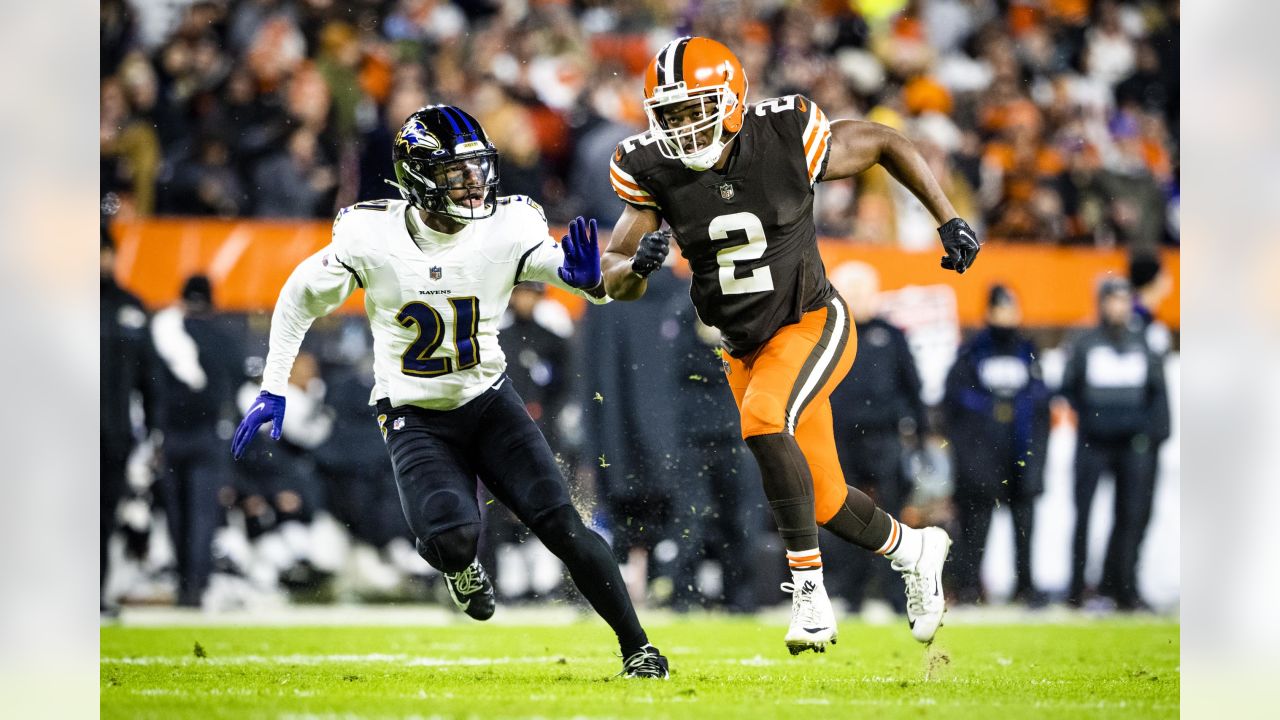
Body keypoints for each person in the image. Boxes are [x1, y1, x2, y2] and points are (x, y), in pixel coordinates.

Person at [230, 105, 669, 678]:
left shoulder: (506, 226)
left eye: (478, 168)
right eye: (455, 172)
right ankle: (461, 570)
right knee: (453, 538)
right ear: (417, 178)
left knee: (563, 526)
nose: (474, 183)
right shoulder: (372, 235)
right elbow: (298, 296)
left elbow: (577, 278)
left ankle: (639, 647)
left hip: (488, 400)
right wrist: (274, 385)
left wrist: (606, 277)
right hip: (414, 414)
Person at [601, 36, 982, 653]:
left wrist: (948, 217)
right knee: (825, 498)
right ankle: (915, 549)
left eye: (694, 107)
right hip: (742, 346)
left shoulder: (784, 134)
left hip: (810, 319)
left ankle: (809, 595)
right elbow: (615, 276)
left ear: (729, 101)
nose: (681, 125)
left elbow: (886, 141)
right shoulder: (652, 168)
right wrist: (636, 268)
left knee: (761, 418)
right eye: (668, 113)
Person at [1061, 277, 1169, 610]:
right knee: (1083, 516)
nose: (1117, 307)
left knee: (1131, 516)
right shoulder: (1085, 342)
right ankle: (1077, 590)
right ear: (1102, 303)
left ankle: (1124, 588)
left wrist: (1150, 436)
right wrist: (1092, 420)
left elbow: (1157, 394)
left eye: (1123, 300)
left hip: (1132, 445)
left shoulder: (1142, 343)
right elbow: (1069, 388)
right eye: (1112, 300)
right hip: (1093, 442)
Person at [824, 261, 925, 616]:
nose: (855, 296)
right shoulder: (826, 333)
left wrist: (921, 435)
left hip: (883, 439)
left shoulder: (892, 335)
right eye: (848, 288)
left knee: (891, 517)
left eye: (861, 289)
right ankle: (848, 594)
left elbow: (913, 386)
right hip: (837, 439)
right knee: (842, 516)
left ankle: (895, 596)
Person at [942, 285, 1051, 607]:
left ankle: (1025, 586)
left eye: (1012, 309)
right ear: (989, 312)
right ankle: (969, 587)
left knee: (1024, 522)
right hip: (982, 453)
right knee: (975, 523)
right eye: (1001, 309)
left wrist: (1035, 452)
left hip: (1019, 450)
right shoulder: (973, 351)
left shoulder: (1028, 351)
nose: (1008, 316)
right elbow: (954, 403)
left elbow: (1042, 403)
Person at [150, 275, 243, 607]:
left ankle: (182, 582)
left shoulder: (165, 331)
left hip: (171, 435)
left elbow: (151, 382)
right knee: (203, 514)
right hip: (209, 434)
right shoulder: (224, 335)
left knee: (176, 515)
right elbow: (238, 382)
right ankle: (197, 586)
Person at [100, 224, 154, 615]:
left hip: (115, 433)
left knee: (103, 516)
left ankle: (95, 594)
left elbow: (150, 381)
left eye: (105, 251)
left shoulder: (131, 306)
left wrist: (152, 431)